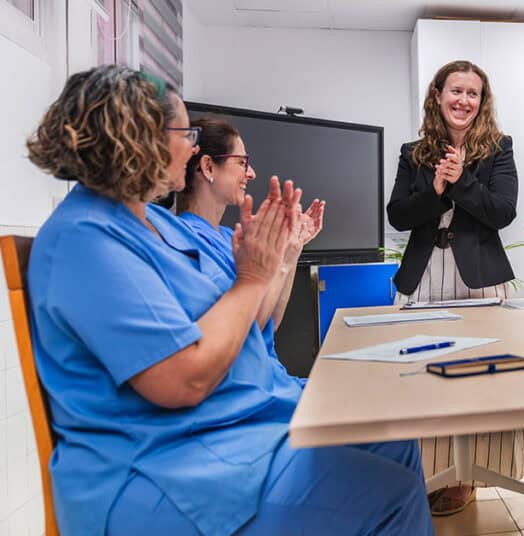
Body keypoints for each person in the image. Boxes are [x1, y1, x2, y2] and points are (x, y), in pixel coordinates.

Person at [25, 65, 432, 535]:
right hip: (166, 467)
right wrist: (253, 276)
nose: (194, 145)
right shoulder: (86, 239)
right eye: (185, 132)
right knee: (388, 494)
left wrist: (272, 259)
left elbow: (248, 322)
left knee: (394, 439)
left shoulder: (158, 228)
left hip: (226, 430)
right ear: (139, 140)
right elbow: (183, 380)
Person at [386, 59, 522, 515]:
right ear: (438, 95)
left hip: (478, 278)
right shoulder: (413, 152)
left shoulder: (498, 150)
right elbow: (398, 215)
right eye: (456, 91)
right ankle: (428, 472)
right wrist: (438, 190)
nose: (464, 101)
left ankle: (469, 476)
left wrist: (461, 182)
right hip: (423, 276)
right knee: (422, 380)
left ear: (482, 102)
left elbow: (502, 211)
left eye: (473, 94)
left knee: (482, 380)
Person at [176, 117, 325, 360]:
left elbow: (270, 324)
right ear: (209, 167)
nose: (251, 173)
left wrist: (292, 249)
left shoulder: (229, 236)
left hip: (271, 376)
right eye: (242, 163)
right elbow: (248, 328)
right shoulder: (185, 242)